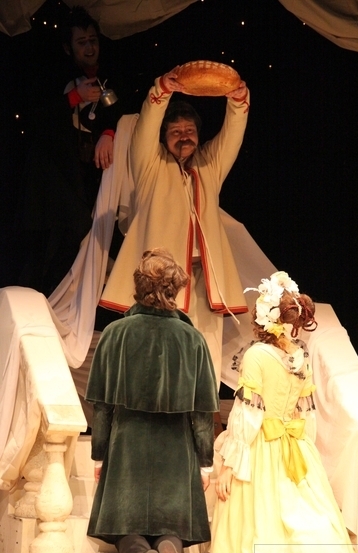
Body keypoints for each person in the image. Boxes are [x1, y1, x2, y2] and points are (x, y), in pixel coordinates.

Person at [205, 271, 358, 553]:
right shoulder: (299, 356)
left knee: (264, 518)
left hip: (261, 444)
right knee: (303, 509)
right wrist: (305, 450)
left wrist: (230, 466)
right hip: (295, 443)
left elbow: (248, 415)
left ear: (262, 319)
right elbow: (305, 414)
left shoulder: (256, 357)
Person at [85, 248, 219, 553]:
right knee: (170, 524)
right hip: (176, 446)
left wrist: (99, 455)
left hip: (127, 443)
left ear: (138, 286)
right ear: (175, 289)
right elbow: (203, 412)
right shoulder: (193, 340)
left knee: (121, 523)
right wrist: (205, 462)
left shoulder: (115, 334)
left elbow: (102, 405)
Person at [98, 66, 251, 385]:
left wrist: (238, 101)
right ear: (164, 137)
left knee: (205, 351)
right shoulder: (150, 165)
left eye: (190, 130)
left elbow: (232, 135)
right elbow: (146, 127)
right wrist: (161, 92)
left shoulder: (209, 166)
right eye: (176, 131)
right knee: (158, 354)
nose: (184, 136)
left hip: (203, 277)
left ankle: (204, 410)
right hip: (161, 283)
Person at [17, 6, 124, 296]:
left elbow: (119, 111)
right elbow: (35, 119)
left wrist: (109, 133)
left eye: (93, 40)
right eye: (82, 42)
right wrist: (74, 97)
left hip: (88, 172)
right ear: (69, 47)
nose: (89, 47)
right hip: (54, 176)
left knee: (84, 232)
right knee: (58, 239)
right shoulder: (54, 75)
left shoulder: (110, 73)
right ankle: (41, 299)